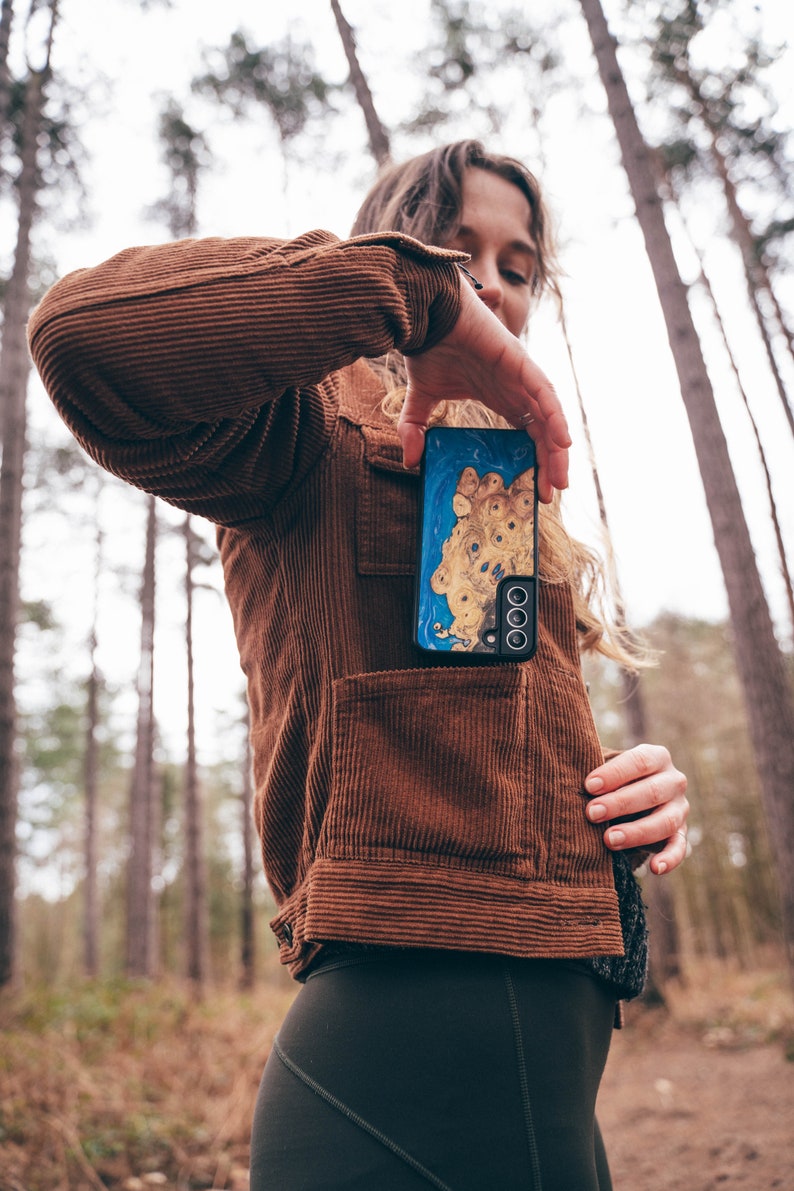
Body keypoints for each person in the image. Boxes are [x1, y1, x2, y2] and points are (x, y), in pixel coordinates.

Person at [28, 139, 689, 1190]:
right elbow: (79, 337)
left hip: (555, 1015)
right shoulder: (298, 432)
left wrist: (628, 785)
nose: (491, 284)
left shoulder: (507, 491)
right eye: (454, 248)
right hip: (395, 992)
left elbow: (480, 749)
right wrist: (410, 299)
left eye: (517, 267)